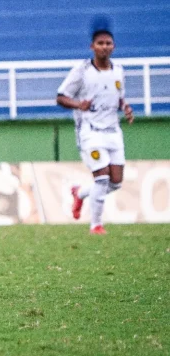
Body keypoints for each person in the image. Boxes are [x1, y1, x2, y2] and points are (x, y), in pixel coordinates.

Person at [57, 29, 134, 235]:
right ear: (92, 46)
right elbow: (61, 97)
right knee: (101, 179)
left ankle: (80, 193)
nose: (104, 47)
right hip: (90, 131)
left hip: (113, 131)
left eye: (108, 43)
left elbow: (118, 97)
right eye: (100, 43)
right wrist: (78, 104)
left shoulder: (118, 70)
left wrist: (125, 107)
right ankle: (96, 226)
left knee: (115, 183)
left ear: (113, 47)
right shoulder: (82, 71)